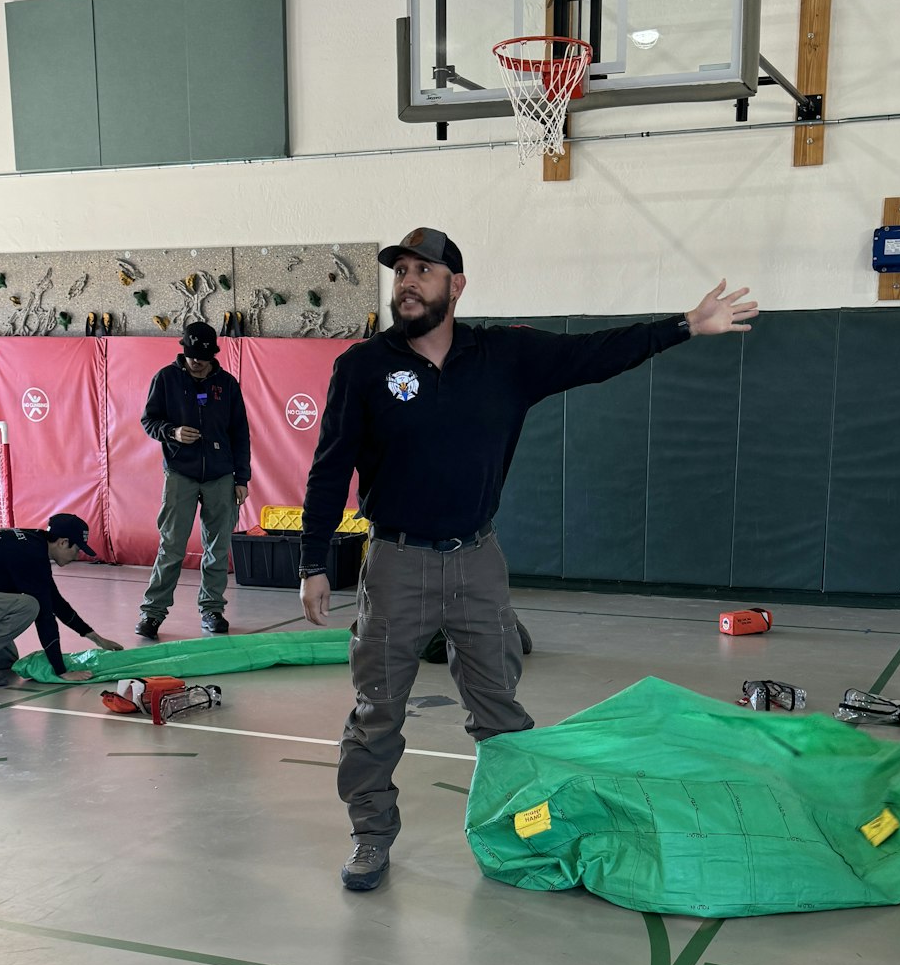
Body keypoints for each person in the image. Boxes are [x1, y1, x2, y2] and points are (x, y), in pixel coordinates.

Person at [300, 226, 758, 892]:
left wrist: (687, 324)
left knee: (501, 712)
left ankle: (519, 828)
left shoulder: (504, 356)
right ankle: (371, 835)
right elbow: (328, 466)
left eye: (423, 271)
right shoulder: (365, 368)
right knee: (377, 713)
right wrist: (314, 559)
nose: (407, 281)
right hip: (396, 563)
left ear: (456, 285)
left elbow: (597, 353)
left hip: (476, 560)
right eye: (400, 271)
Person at [136, 321, 251, 640]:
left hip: (221, 476)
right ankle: (152, 612)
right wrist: (171, 432)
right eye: (191, 355)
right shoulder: (166, 379)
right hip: (180, 474)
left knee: (218, 545)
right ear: (183, 351)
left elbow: (240, 433)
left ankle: (212, 609)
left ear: (213, 354)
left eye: (202, 356)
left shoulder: (227, 385)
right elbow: (149, 420)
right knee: (171, 545)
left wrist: (242, 478)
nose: (196, 361)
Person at [0, 513, 123, 683]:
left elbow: (55, 602)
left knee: (5, 660)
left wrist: (97, 639)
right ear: (63, 542)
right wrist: (60, 670)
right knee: (29, 606)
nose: (77, 555)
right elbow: (45, 616)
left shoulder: (33, 544)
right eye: (77, 549)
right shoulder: (29, 554)